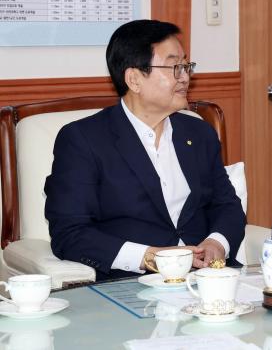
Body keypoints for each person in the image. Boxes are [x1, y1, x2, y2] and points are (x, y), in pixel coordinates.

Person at [44, 20, 246, 280]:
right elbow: (70, 233)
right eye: (174, 67)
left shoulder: (199, 133)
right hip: (133, 282)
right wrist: (148, 257)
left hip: (208, 279)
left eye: (186, 66)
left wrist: (217, 243)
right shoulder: (83, 140)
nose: (185, 77)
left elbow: (227, 205)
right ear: (134, 79)